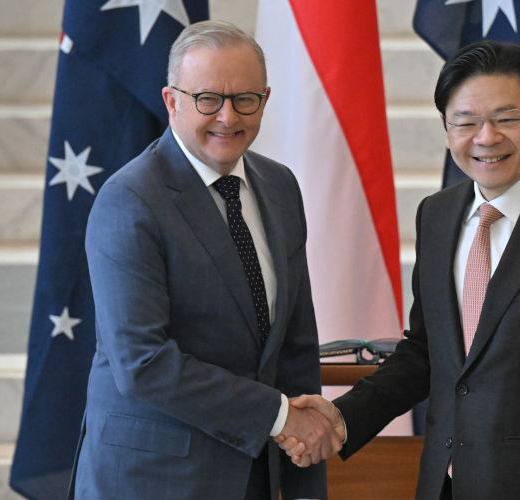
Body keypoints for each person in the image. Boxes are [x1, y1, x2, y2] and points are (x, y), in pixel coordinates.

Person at [278, 41, 520, 499]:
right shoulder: (437, 216)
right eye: (466, 122)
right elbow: (426, 353)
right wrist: (343, 417)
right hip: (443, 485)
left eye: (506, 118)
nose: (486, 137)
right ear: (446, 128)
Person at [69, 20, 340, 500]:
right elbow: (143, 363)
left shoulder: (279, 187)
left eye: (245, 99)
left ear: (266, 100)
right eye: (208, 99)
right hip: (151, 480)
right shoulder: (130, 200)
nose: (227, 117)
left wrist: (304, 479)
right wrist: (279, 417)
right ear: (172, 101)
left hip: (255, 475)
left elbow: (295, 345)